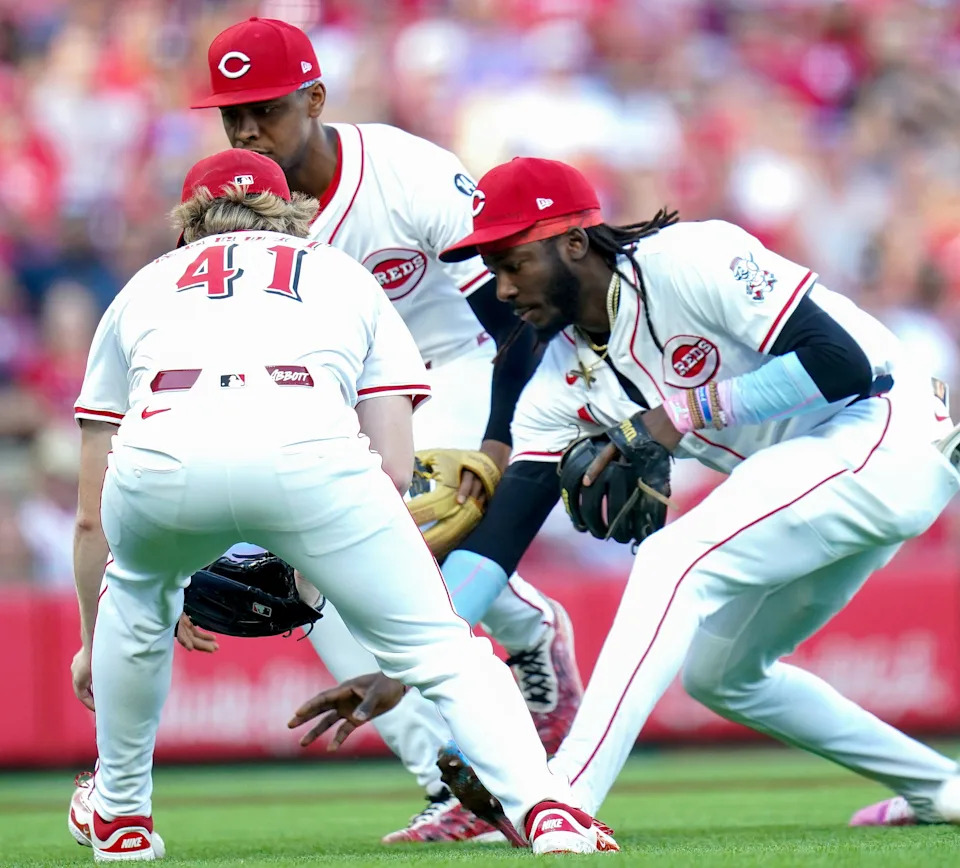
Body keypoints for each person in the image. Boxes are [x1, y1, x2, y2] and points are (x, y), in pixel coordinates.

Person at [296, 156, 960, 831]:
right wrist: (407, 667)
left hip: (888, 430)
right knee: (723, 675)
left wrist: (678, 414)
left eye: (511, 261)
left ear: (574, 242)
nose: (499, 288)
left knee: (674, 559)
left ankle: (567, 798)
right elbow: (497, 547)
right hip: (818, 478)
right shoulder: (558, 381)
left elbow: (841, 364)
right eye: (490, 267)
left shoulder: (690, 258)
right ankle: (943, 789)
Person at [65, 149, 618, 861]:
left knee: (135, 602)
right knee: (441, 649)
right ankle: (547, 811)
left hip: (160, 461)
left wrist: (90, 640)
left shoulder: (144, 287)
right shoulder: (339, 273)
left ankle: (119, 813)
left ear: (186, 228)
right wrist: (317, 559)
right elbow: (391, 464)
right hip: (312, 453)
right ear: (292, 214)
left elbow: (88, 515)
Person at [187, 16, 582, 843]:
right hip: (352, 399)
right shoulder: (237, 217)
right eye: (234, 115)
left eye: (266, 108)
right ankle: (453, 772)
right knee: (311, 576)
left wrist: (501, 440)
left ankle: (523, 638)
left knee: (388, 542)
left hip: (459, 366)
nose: (249, 130)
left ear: (315, 98)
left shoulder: (405, 172)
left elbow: (516, 311)